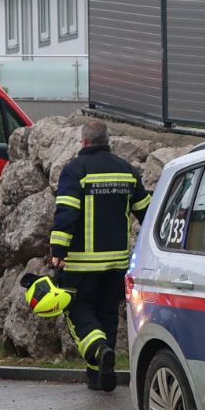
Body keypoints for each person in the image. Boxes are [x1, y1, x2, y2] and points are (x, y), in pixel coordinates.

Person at [47, 117, 149, 393]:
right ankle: (101, 375)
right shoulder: (126, 171)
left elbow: (66, 213)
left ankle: (99, 349)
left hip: (80, 264)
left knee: (78, 310)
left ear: (84, 141)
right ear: (108, 142)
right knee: (107, 314)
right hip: (117, 263)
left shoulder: (75, 170)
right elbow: (147, 213)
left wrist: (58, 251)